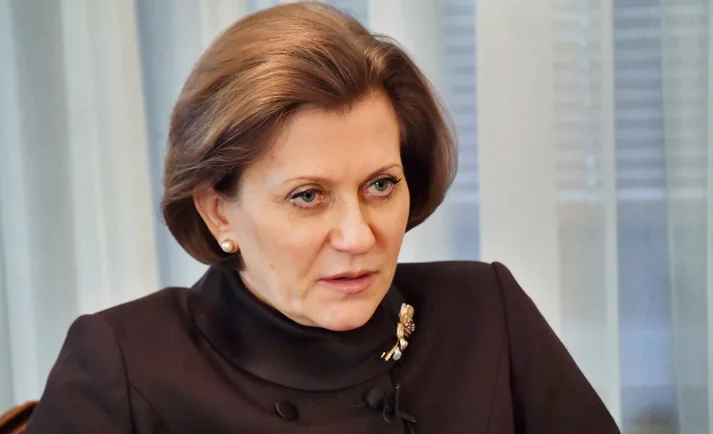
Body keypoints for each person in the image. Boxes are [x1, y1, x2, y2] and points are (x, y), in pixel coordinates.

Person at [24, 3, 620, 433]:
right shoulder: (123, 363)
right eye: (308, 196)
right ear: (218, 212)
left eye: (381, 185)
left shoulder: (486, 311)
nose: (358, 236)